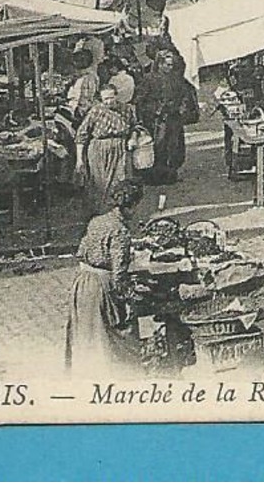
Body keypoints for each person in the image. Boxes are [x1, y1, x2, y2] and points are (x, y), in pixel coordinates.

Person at [64, 178, 143, 374]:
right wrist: (130, 296)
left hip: (82, 282)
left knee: (85, 334)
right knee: (112, 336)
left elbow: (81, 252)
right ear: (131, 206)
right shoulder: (121, 232)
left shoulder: (96, 221)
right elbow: (118, 275)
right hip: (101, 286)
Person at [134, 46, 196, 185]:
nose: (169, 67)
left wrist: (181, 109)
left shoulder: (177, 79)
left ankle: (170, 174)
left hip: (174, 119)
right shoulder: (149, 79)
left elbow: (186, 96)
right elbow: (140, 100)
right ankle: (155, 177)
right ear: (160, 64)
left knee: (174, 147)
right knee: (158, 147)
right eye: (167, 65)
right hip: (156, 121)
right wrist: (154, 110)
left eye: (172, 65)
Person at [75, 84, 136, 214]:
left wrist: (132, 138)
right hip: (99, 150)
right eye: (105, 99)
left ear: (116, 95)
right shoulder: (95, 111)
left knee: (120, 180)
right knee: (99, 184)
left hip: (120, 149)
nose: (108, 102)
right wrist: (79, 159)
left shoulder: (126, 109)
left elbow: (134, 127)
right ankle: (100, 214)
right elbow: (81, 135)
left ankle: (118, 211)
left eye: (111, 98)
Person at [65, 49, 101, 120]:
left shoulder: (89, 77)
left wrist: (79, 110)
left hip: (81, 110)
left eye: (77, 61)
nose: (74, 63)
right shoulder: (80, 76)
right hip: (73, 106)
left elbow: (86, 96)